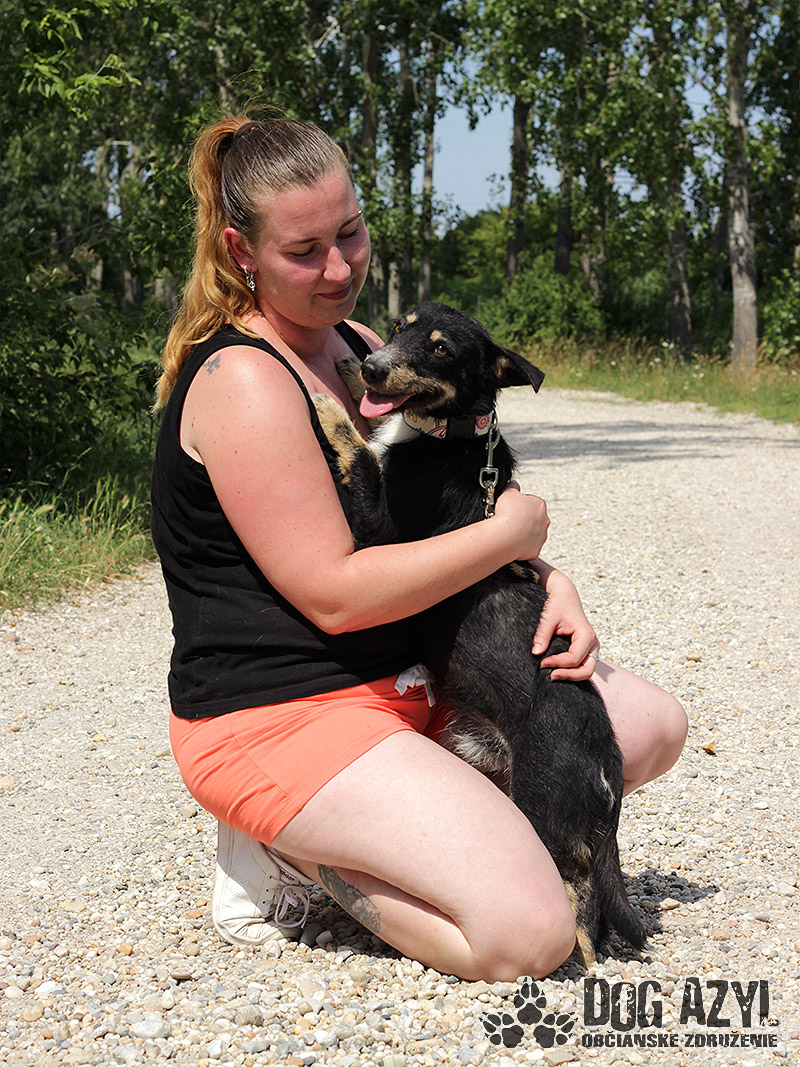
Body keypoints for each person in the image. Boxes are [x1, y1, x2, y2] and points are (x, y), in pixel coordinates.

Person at [151, 114, 688, 983]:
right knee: (530, 934)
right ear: (240, 250)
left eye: (350, 232)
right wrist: (507, 534)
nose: (339, 268)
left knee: (651, 726)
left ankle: (411, 829)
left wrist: (551, 578)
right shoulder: (243, 379)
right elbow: (335, 593)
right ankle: (293, 851)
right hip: (281, 710)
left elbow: (435, 519)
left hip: (406, 682)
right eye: (305, 251)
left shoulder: (363, 351)